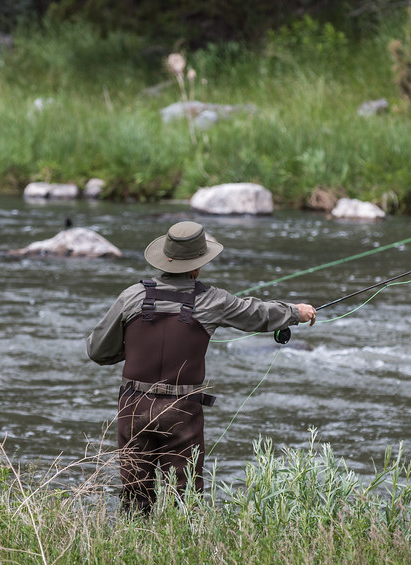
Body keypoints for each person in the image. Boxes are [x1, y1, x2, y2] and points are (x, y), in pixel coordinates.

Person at [87, 220, 317, 515]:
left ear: (164, 259)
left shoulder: (132, 296)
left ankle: (133, 550)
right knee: (184, 500)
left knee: (135, 496)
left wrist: (131, 349)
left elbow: (97, 351)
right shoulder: (213, 300)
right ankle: (176, 553)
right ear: (197, 266)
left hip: (134, 406)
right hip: (181, 410)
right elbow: (256, 313)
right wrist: (294, 312)